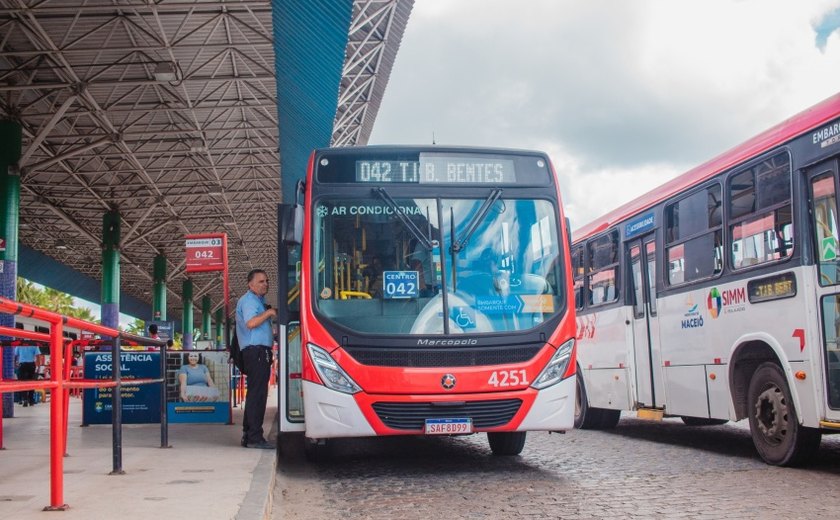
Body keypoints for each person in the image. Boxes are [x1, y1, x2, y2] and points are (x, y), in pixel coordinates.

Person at [235, 269, 276, 449]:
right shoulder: (250, 301)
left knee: (255, 394)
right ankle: (254, 437)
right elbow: (251, 323)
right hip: (255, 352)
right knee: (257, 395)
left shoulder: (258, 301)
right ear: (250, 284)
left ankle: (249, 434)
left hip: (259, 352)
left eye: (266, 281)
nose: (265, 284)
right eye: (260, 281)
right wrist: (269, 313)